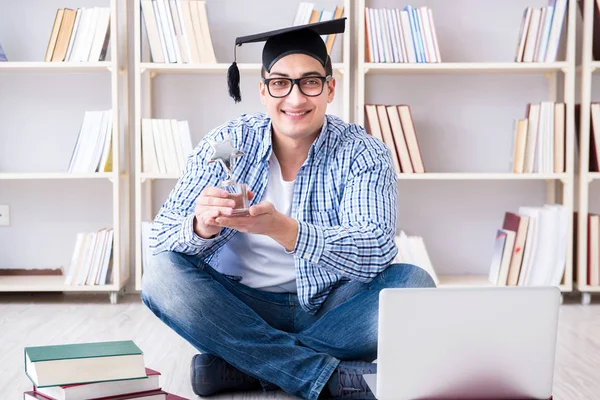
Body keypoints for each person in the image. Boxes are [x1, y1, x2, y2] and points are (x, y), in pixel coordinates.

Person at [141, 18, 436, 400]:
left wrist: (286, 230)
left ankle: (243, 364)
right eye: (280, 83)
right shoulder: (227, 143)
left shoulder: (363, 152)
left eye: (310, 82)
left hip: (331, 306)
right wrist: (201, 227)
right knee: (161, 275)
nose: (295, 99)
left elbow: (375, 248)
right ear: (263, 91)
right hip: (241, 307)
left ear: (330, 89)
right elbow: (160, 238)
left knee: (414, 285)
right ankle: (323, 375)